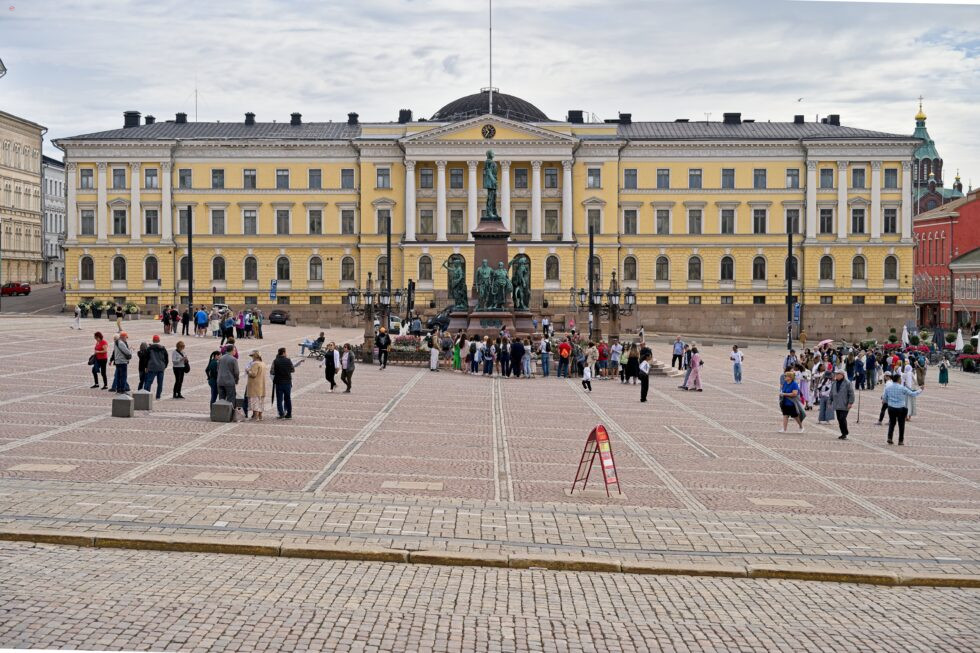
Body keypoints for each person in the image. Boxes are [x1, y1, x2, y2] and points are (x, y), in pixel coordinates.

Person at [882, 372, 922, 445]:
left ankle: (889, 437)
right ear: (898, 379)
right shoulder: (902, 388)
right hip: (900, 408)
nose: (901, 380)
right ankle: (900, 440)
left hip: (891, 408)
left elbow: (884, 398)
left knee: (892, 423)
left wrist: (889, 401)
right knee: (901, 425)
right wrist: (920, 390)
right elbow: (912, 394)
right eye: (900, 379)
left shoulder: (888, 388)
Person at [828, 369, 855, 440]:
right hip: (837, 404)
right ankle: (843, 433)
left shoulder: (848, 383)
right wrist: (829, 402)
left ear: (842, 375)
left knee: (842, 418)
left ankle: (845, 433)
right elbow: (831, 393)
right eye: (836, 374)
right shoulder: (834, 383)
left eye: (837, 374)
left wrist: (850, 402)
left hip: (845, 404)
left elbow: (851, 394)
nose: (836, 375)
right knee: (839, 419)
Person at [143, 334, 169, 399]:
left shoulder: (149, 349)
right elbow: (166, 358)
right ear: (159, 340)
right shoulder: (163, 348)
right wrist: (165, 366)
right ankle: (158, 396)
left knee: (149, 382)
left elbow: (146, 358)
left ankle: (146, 395)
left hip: (152, 367)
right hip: (161, 367)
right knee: (160, 383)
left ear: (153, 340)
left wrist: (146, 367)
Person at [272, 347, 294, 419]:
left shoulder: (275, 361)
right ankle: (289, 414)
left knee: (279, 399)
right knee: (288, 399)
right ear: (284, 353)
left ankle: (281, 414)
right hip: (287, 382)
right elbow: (292, 370)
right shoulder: (288, 360)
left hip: (279, 382)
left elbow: (272, 372)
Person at [246, 351, 267, 420]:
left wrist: (248, 370)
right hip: (261, 385)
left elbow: (253, 374)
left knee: (255, 401)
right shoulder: (263, 363)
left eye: (252, 356)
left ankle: (256, 416)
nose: (252, 358)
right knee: (260, 401)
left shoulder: (255, 364)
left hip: (254, 385)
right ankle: (260, 416)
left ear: (255, 356)